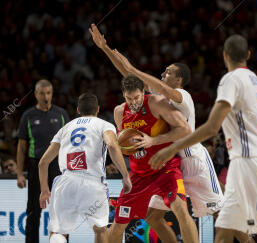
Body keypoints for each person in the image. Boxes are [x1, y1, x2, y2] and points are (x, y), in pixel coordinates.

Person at [148, 35, 257, 243]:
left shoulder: (230, 80)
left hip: (244, 159)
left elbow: (212, 127)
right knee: (229, 226)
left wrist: (173, 147)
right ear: (249, 55)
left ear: (225, 56)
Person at [89, 23, 223, 242]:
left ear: (178, 79)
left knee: (219, 212)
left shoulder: (181, 94)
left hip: (192, 158)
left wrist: (132, 70)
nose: (162, 73)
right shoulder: (152, 99)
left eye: (167, 72)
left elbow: (136, 75)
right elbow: (128, 75)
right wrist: (105, 48)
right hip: (167, 159)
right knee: (153, 216)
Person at [108, 75, 198, 243]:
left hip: (165, 168)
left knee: (180, 209)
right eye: (129, 98)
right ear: (123, 95)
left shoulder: (156, 102)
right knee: (118, 224)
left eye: (136, 97)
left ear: (143, 92)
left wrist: (152, 141)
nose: (133, 102)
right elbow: (124, 146)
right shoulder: (119, 112)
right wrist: (126, 149)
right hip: (139, 174)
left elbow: (184, 129)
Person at [39, 92, 132, 243]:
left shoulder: (65, 128)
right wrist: (125, 176)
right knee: (100, 229)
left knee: (58, 233)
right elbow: (112, 146)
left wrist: (44, 190)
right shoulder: (105, 125)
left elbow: (43, 162)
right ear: (98, 109)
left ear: (78, 110)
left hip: (65, 182)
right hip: (92, 183)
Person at [16, 79, 70, 243]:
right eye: (42, 93)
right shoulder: (28, 115)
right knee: (33, 210)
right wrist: (19, 173)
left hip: (57, 167)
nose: (45, 96)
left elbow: (69, 144)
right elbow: (21, 147)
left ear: (52, 94)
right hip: (35, 166)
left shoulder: (61, 114)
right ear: (36, 94)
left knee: (61, 209)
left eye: (48, 93)